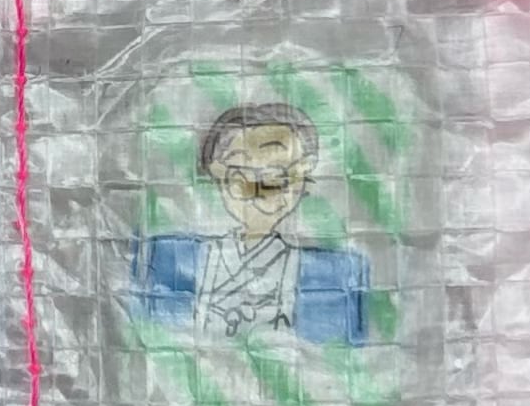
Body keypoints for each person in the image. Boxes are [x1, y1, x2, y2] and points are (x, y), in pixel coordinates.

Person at [129, 100, 370, 347]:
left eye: (276, 177)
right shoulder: (172, 259)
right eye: (239, 175)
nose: (257, 189)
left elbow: (341, 350)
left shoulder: (332, 276)